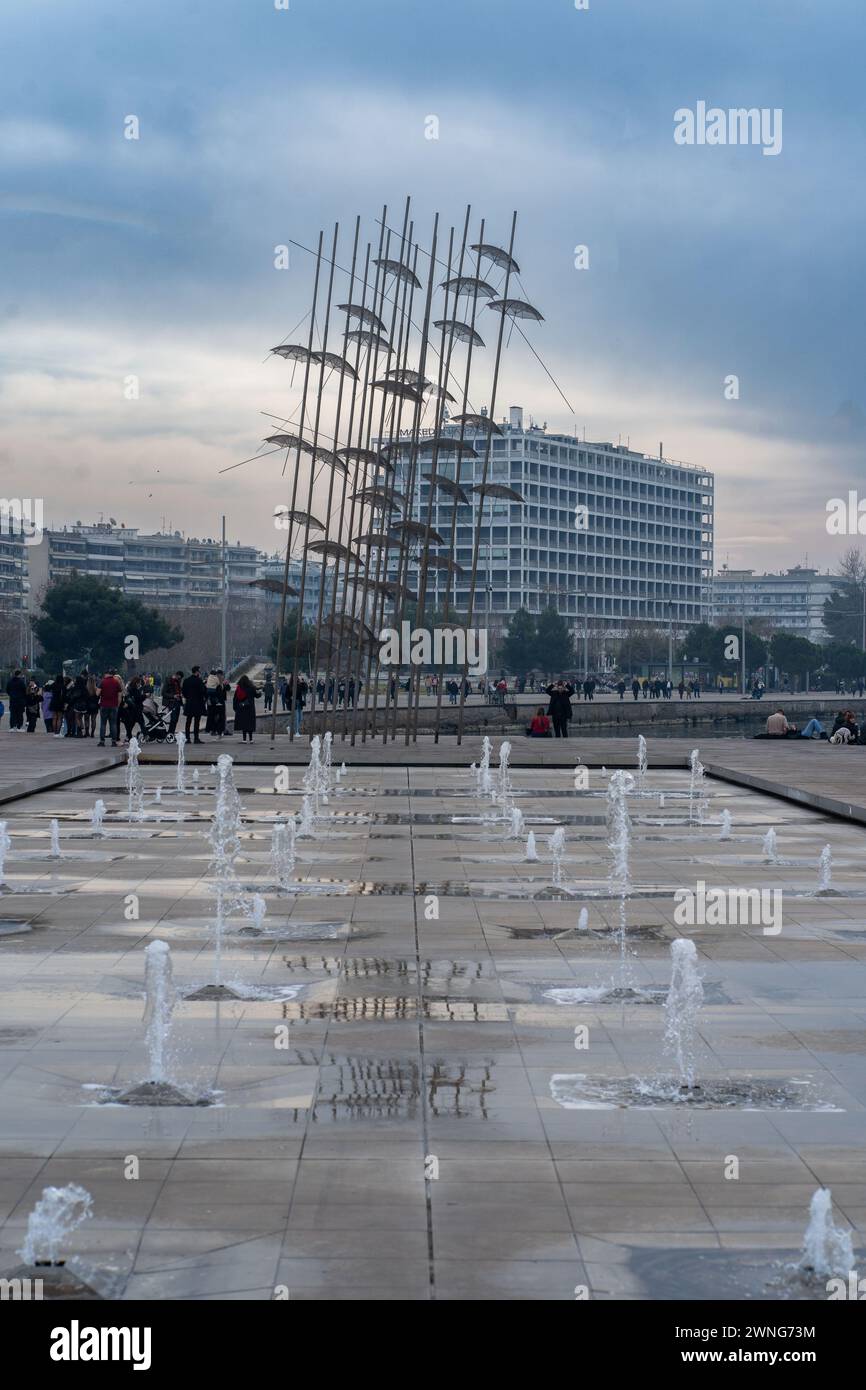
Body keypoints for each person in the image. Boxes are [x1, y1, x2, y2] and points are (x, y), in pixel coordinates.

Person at [97, 668, 123, 746]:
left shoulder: (103, 682)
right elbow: (119, 696)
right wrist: (118, 704)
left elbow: (97, 693)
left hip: (104, 705)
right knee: (113, 724)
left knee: (103, 723)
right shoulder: (116, 682)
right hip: (114, 705)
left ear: (107, 674)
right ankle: (114, 741)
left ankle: (102, 741)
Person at [182, 665, 207, 743]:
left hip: (189, 703)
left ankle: (187, 738)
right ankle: (196, 738)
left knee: (188, 721)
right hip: (197, 703)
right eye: (199, 671)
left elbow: (184, 692)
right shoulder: (199, 681)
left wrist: (188, 697)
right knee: (197, 722)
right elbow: (203, 692)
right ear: (197, 672)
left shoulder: (186, 680)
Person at [233, 673, 259, 742]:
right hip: (250, 708)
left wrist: (235, 707)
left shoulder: (239, 688)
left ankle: (244, 739)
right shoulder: (251, 688)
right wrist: (260, 693)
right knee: (250, 724)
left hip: (242, 708)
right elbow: (256, 695)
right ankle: (251, 739)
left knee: (244, 724)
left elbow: (235, 698)